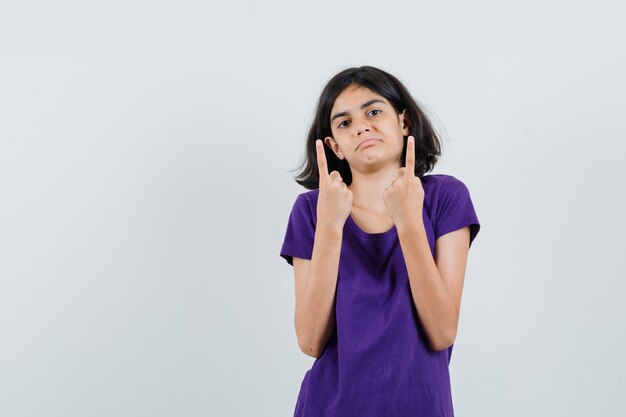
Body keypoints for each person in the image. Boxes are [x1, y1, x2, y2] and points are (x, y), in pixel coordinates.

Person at [279, 65, 481, 417]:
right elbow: (310, 341)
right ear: (334, 146)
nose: (361, 126)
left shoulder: (446, 197)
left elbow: (442, 331)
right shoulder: (311, 210)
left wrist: (408, 221)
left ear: (404, 123)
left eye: (374, 111)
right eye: (344, 123)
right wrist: (330, 226)